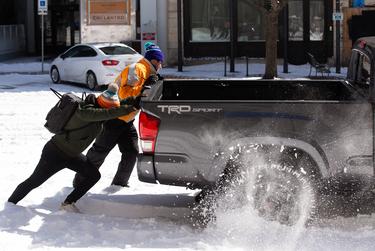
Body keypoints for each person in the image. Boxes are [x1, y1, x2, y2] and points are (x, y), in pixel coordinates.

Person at [8, 84, 140, 212]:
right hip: (55, 153)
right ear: (103, 106)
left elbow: (114, 107)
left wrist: (135, 100)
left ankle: (68, 203)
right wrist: (129, 108)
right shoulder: (87, 112)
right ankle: (10, 204)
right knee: (34, 181)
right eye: (108, 108)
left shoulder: (97, 108)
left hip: (71, 155)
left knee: (93, 175)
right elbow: (110, 112)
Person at [73, 42, 164, 188]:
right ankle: (79, 183)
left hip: (126, 120)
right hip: (114, 118)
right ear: (155, 61)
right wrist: (146, 87)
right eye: (160, 62)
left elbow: (141, 94)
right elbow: (124, 94)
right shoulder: (138, 69)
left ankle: (119, 184)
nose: (161, 66)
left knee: (131, 152)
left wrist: (154, 86)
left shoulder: (147, 72)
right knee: (99, 153)